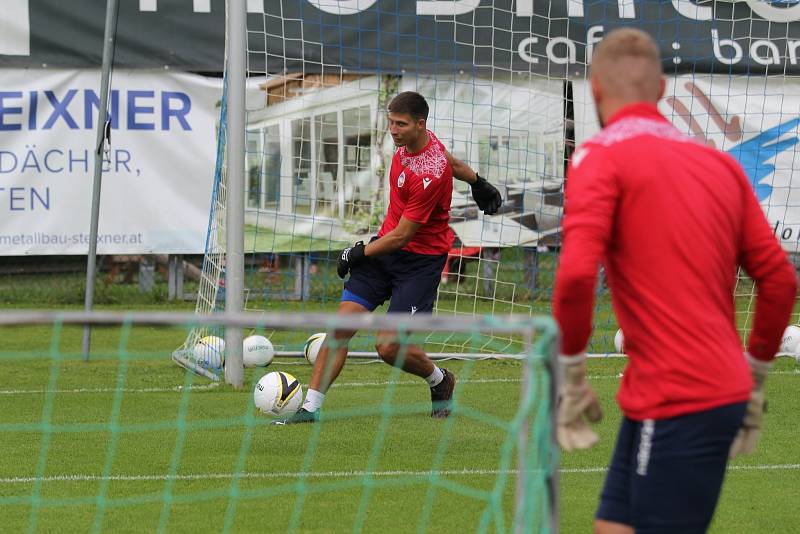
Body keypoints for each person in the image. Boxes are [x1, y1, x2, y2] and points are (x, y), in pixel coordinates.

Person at [552, 28, 797, 533]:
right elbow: (778, 279)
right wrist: (752, 377)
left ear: (594, 90)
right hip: (673, 388)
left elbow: (576, 275)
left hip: (682, 394)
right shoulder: (720, 164)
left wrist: (571, 376)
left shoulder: (596, 157)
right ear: (662, 90)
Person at [278, 90, 502, 424]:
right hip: (386, 251)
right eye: (390, 122)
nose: (393, 130)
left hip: (418, 263)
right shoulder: (420, 144)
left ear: (420, 124)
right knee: (341, 327)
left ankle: (440, 380)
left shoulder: (428, 174)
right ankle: (310, 408)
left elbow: (403, 236)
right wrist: (478, 181)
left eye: (401, 124)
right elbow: (452, 160)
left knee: (388, 348)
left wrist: (356, 252)